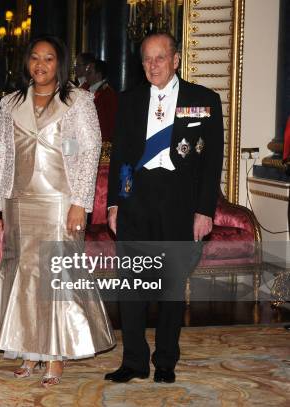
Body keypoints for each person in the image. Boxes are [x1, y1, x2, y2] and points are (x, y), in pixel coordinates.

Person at [0, 35, 116, 387]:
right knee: (24, 276)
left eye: (49, 59)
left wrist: (80, 204)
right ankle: (29, 350)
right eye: (35, 59)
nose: (41, 65)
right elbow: (0, 157)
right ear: (27, 62)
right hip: (19, 201)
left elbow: (90, 152)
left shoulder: (79, 101)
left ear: (61, 63)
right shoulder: (10, 103)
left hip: (60, 201)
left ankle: (55, 354)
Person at [105, 33, 223, 384]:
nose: (153, 65)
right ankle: (134, 361)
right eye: (146, 59)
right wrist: (115, 202)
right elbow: (121, 157)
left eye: (160, 58)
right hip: (136, 199)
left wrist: (204, 211)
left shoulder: (203, 100)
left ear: (175, 60)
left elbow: (212, 160)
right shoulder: (129, 100)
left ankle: (166, 361)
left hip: (179, 202)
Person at [84, 60, 118, 143]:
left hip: (102, 142)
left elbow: (111, 124)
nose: (85, 76)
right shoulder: (87, 90)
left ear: (98, 75)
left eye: (89, 73)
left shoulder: (107, 94)